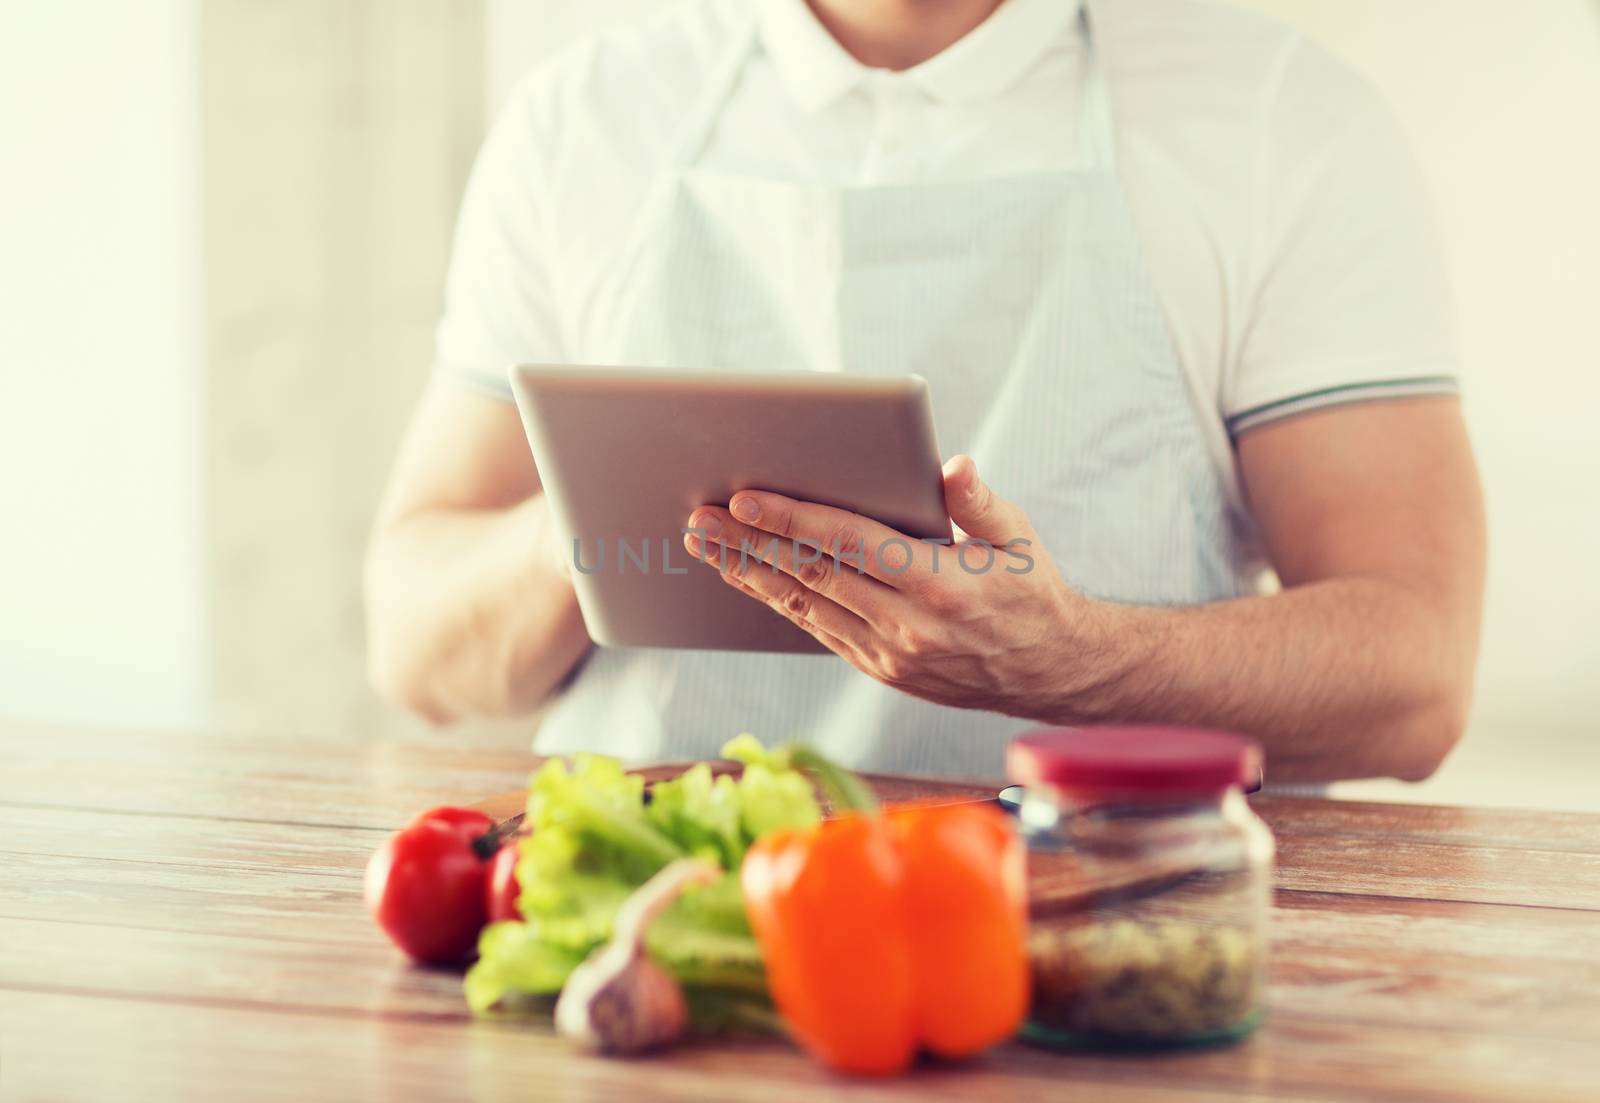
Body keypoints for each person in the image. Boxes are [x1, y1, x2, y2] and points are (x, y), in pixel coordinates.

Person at [365, 0, 1485, 784]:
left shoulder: (1277, 121)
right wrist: (613, 499)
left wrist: (1078, 661)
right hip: (653, 923)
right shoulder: (582, 121)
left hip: (1107, 921)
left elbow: (1413, 676)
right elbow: (416, 646)